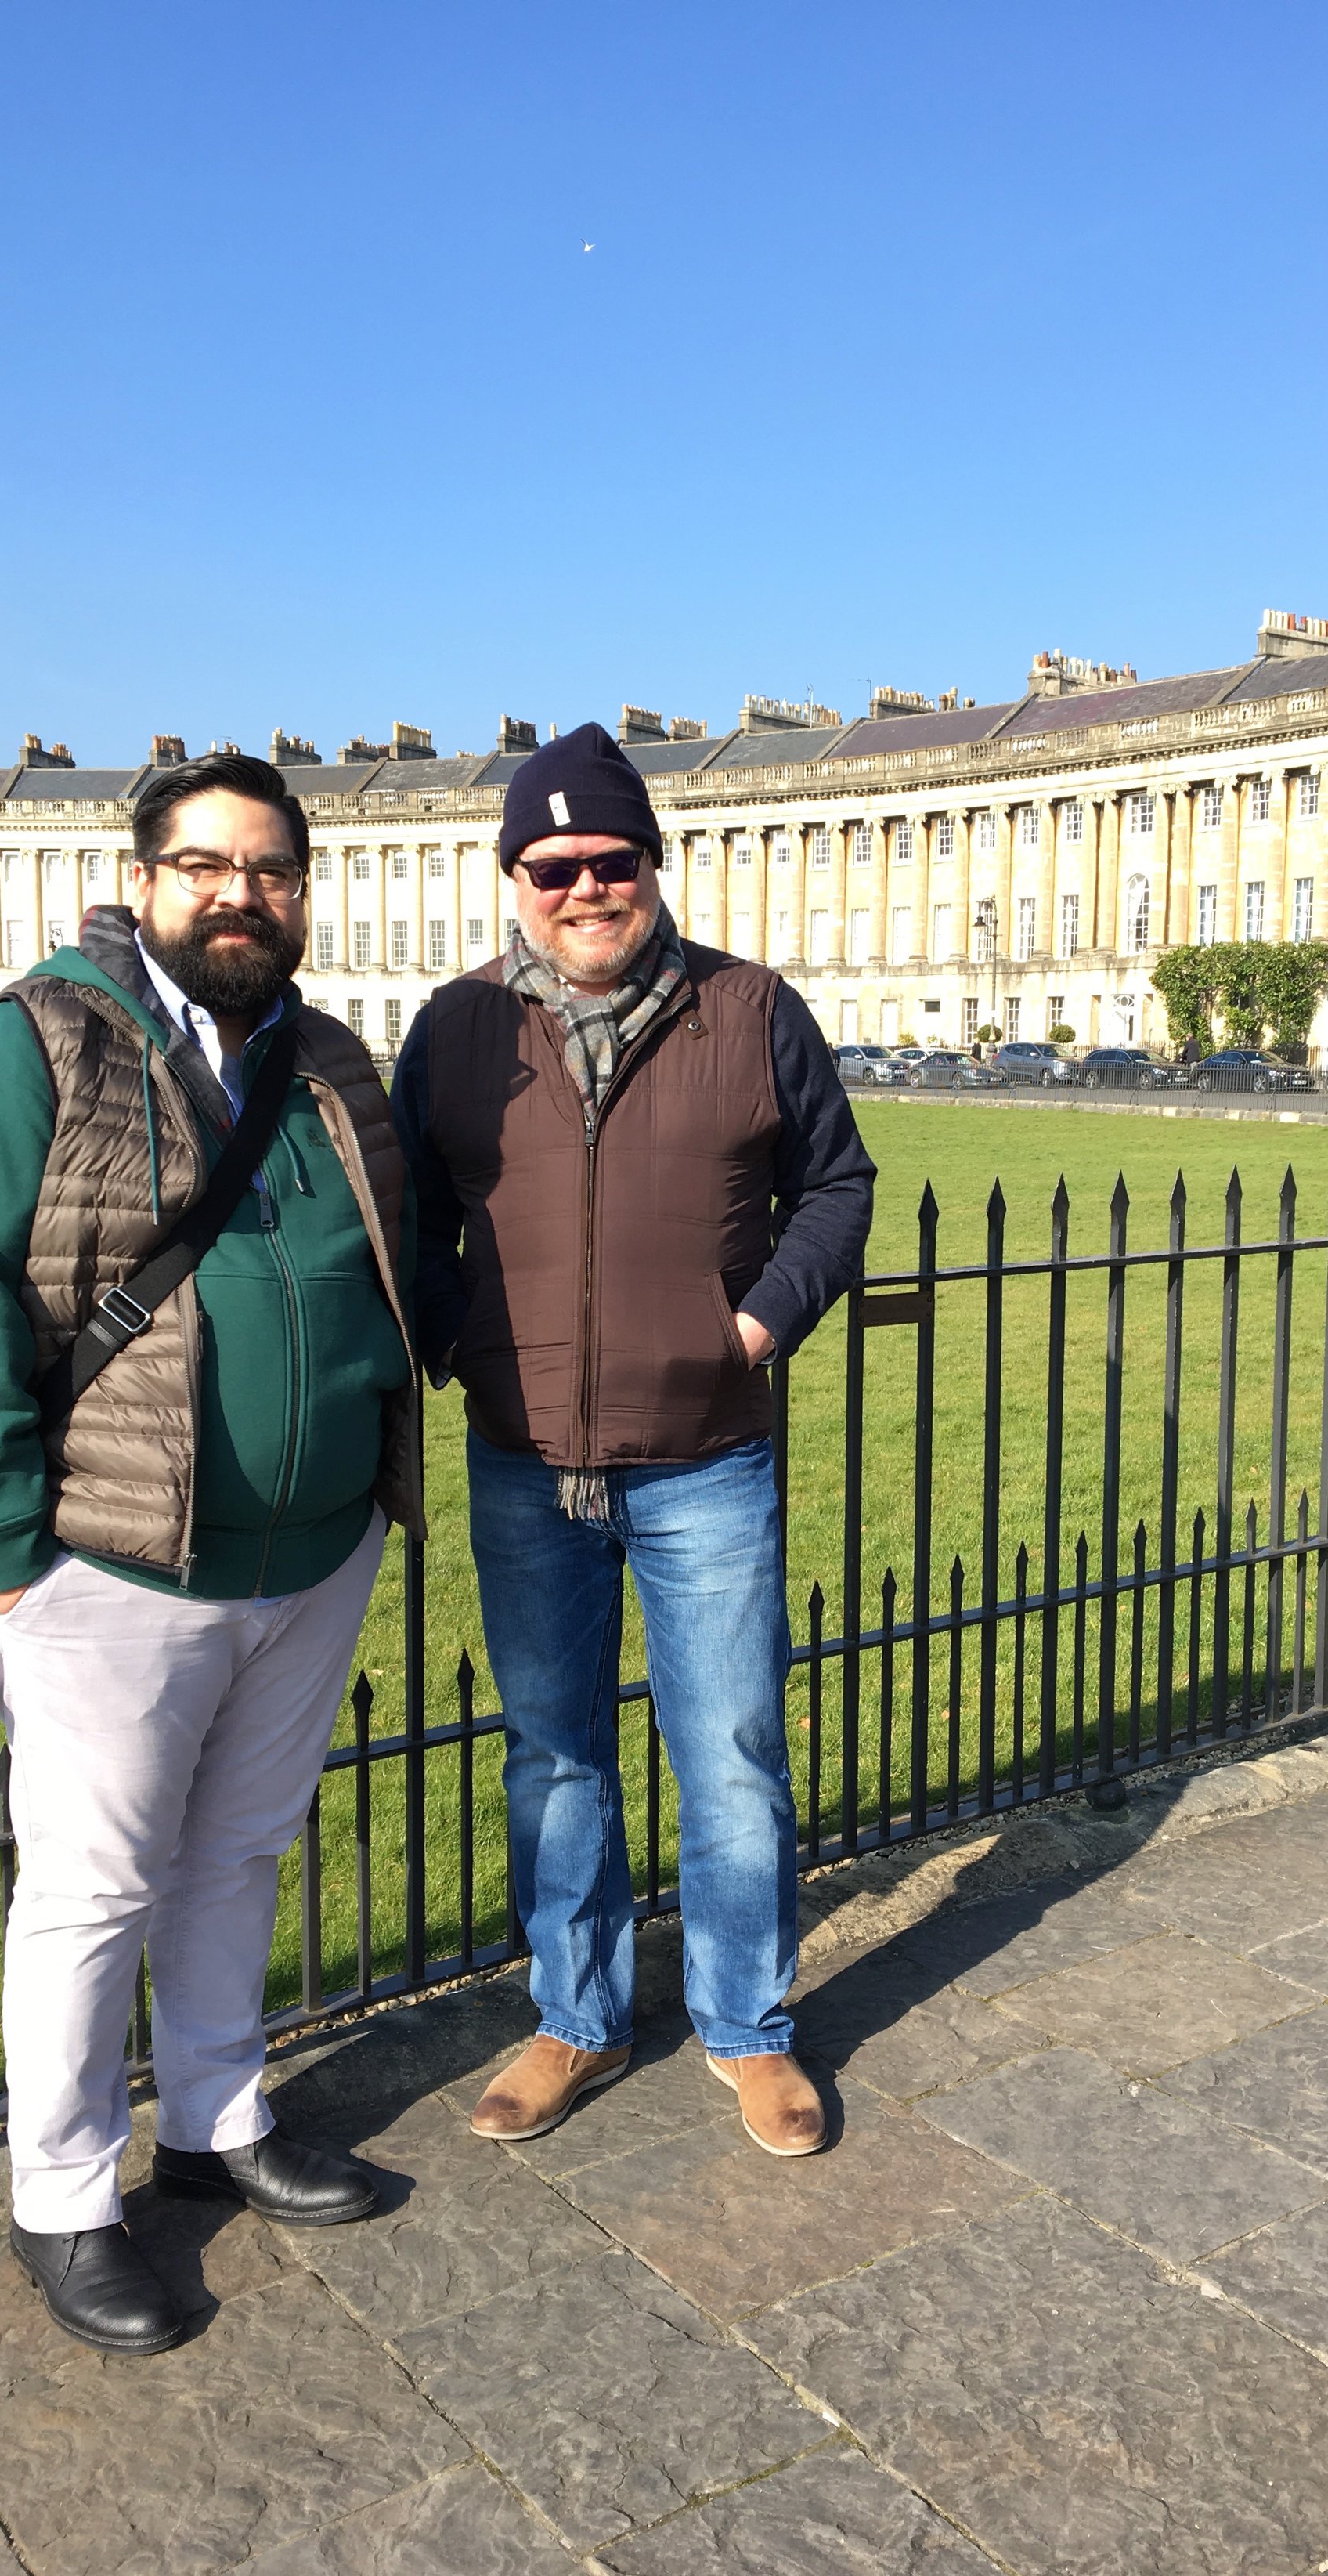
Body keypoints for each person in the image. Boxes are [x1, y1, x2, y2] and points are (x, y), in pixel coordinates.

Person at [0, 751, 421, 2354]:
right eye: (204, 865)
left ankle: (212, 2117)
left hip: (309, 1552)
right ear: (144, 878)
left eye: (266, 869)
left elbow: (395, 1255)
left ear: (303, 893)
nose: (236, 894)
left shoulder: (328, 1058)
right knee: (92, 1887)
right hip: (108, 1559)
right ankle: (60, 2195)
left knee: (237, 1853)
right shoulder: (39, 1039)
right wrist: (7, 1547)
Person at [392, 723, 873, 2157]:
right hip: (525, 1454)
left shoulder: (752, 1009)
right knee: (552, 1753)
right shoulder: (456, 1028)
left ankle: (749, 2027)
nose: (586, 888)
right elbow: (408, 1213)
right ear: (515, 879)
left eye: (612, 860)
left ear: (652, 864)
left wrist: (756, 1325)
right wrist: (456, 1338)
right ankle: (577, 2016)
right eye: (555, 867)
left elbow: (838, 1187)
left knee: (727, 1745)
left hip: (705, 1450)